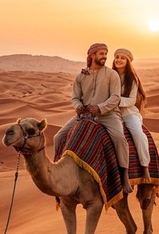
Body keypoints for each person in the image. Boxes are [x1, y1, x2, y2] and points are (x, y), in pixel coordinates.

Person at [54, 43, 133, 194]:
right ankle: (58, 173)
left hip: (108, 115)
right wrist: (77, 106)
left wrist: (100, 108)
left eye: (105, 54)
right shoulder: (81, 76)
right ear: (92, 55)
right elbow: (75, 97)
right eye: (101, 54)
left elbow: (115, 98)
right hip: (84, 116)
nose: (104, 57)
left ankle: (124, 176)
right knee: (59, 137)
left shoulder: (111, 74)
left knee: (119, 138)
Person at [112, 48, 151, 180]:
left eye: (122, 58)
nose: (119, 60)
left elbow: (131, 100)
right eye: (117, 57)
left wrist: (115, 101)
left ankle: (145, 167)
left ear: (128, 61)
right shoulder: (109, 75)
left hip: (128, 113)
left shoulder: (132, 79)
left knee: (139, 135)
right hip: (112, 113)